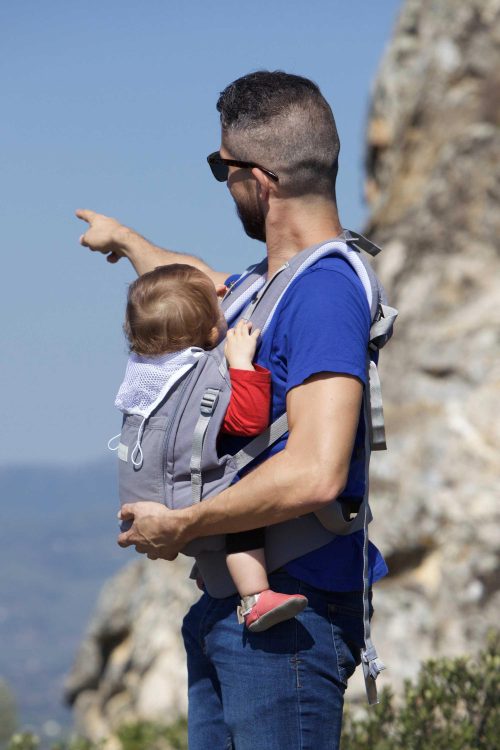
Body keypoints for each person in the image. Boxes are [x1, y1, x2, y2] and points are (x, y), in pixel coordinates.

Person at [77, 70, 388, 750]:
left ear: (261, 180)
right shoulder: (260, 289)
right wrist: (127, 240)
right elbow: (189, 282)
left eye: (224, 170)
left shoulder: (324, 294)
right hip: (237, 616)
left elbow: (316, 473)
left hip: (289, 627)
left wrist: (182, 522)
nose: (224, 184)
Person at [117, 263, 308, 631]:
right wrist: (241, 365)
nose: (225, 303)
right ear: (210, 331)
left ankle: (213, 571)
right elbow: (246, 421)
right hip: (185, 505)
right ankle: (255, 597)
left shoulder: (146, 373)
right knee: (243, 509)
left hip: (147, 497)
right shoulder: (203, 374)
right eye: (218, 307)